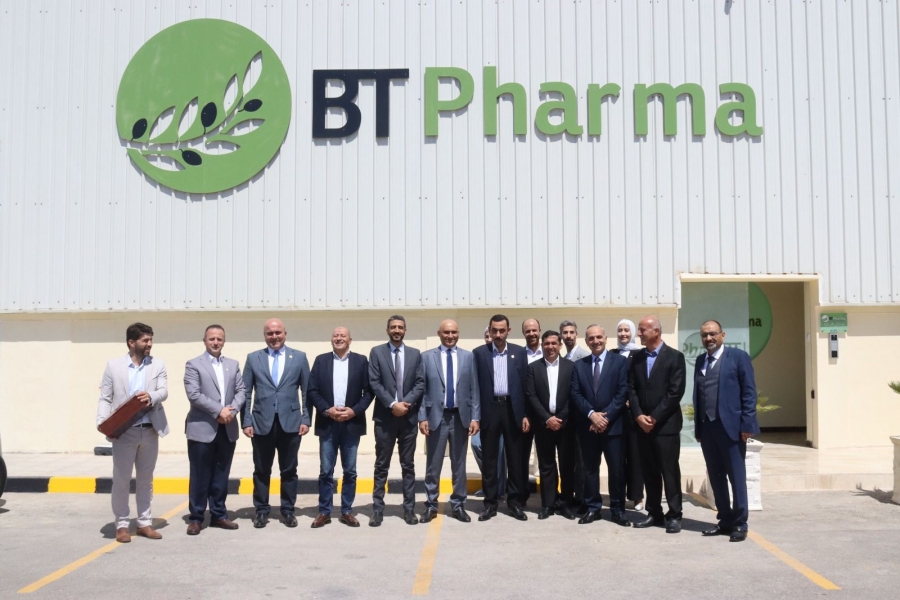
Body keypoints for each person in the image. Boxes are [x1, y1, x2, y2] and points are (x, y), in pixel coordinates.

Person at [96, 323, 169, 543]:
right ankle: (121, 525)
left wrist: (152, 396)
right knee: (121, 480)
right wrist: (103, 423)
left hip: (150, 430)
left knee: (146, 480)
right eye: (145, 340)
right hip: (124, 432)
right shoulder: (113, 366)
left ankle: (145, 523)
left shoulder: (158, 364)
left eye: (151, 339)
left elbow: (164, 391)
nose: (150, 344)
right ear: (131, 342)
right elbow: (105, 398)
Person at [240, 318, 311, 529]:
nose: (274, 337)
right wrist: (246, 421)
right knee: (261, 470)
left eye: (278, 332)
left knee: (289, 470)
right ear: (265, 335)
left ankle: (288, 510)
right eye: (270, 333)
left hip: (291, 423)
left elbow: (306, 391)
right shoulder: (253, 358)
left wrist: (306, 418)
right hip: (261, 423)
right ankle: (261, 510)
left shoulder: (299, 357)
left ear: (285, 333)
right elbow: (246, 392)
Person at [693, 320, 760, 542]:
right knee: (716, 476)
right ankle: (725, 520)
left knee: (736, 477)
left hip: (732, 428)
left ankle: (740, 523)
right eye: (704, 335)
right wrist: (699, 427)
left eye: (712, 334)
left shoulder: (738, 357)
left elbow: (749, 392)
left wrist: (747, 424)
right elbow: (699, 395)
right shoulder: (701, 360)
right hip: (708, 428)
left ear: (723, 335)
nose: (708, 338)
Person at [308, 327, 373, 528]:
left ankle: (347, 511)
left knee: (350, 471)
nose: (338, 338)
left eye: (342, 335)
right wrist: (327, 410)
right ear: (331, 340)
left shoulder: (361, 361)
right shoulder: (321, 361)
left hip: (351, 424)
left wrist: (354, 411)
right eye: (335, 335)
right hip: (328, 423)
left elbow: (369, 392)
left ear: (350, 340)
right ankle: (324, 511)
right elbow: (312, 390)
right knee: (326, 471)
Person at [183, 324, 245, 535]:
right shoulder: (193, 364)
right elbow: (194, 394)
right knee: (200, 475)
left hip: (227, 428)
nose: (216, 342)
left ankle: (219, 514)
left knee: (221, 474)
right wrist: (219, 411)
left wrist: (231, 411)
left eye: (219, 339)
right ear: (205, 341)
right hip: (202, 428)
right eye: (212, 339)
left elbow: (241, 391)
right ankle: (196, 517)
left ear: (224, 341)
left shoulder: (233, 365)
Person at [628, 316, 687, 533]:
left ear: (656, 331)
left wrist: (653, 418)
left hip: (665, 427)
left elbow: (675, 392)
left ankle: (675, 514)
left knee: (669, 472)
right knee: (649, 472)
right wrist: (638, 415)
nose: (639, 334)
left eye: (642, 330)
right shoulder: (636, 358)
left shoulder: (675, 357)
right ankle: (654, 512)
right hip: (641, 426)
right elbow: (631, 388)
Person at [419, 319, 480, 523]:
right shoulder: (427, 357)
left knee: (459, 464)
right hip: (436, 417)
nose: (450, 336)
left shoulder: (468, 357)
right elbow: (421, 390)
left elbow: (474, 389)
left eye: (454, 332)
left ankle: (458, 504)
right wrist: (422, 417)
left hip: (460, 418)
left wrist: (475, 417)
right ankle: (431, 505)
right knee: (433, 464)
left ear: (458, 333)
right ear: (439, 333)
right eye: (446, 332)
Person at [569, 325, 631, 526]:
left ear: (605, 338)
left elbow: (622, 392)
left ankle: (617, 510)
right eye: (591, 338)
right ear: (586, 341)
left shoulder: (620, 362)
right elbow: (575, 393)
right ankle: (593, 508)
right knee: (589, 469)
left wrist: (605, 418)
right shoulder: (579, 365)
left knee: (616, 470)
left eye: (599, 337)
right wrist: (591, 415)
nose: (595, 341)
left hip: (614, 427)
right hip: (588, 427)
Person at [368, 315, 425, 527]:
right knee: (381, 465)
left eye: (400, 327)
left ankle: (409, 509)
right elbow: (374, 382)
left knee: (408, 466)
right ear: (387, 330)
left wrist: (405, 404)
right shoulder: (377, 352)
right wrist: (393, 404)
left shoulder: (415, 354)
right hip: (385, 418)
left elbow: (420, 383)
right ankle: (377, 510)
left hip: (408, 418)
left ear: (405, 330)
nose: (397, 330)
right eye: (393, 327)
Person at [472, 315, 529, 521]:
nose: (498, 334)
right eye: (494, 330)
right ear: (489, 330)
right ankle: (490, 503)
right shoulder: (479, 353)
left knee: (515, 459)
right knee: (489, 460)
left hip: (513, 410)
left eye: (501, 330)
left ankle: (514, 503)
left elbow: (525, 385)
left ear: (508, 331)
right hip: (490, 410)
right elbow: (475, 387)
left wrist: (525, 414)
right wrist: (475, 416)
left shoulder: (519, 353)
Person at [524, 331, 577, 520]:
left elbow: (573, 395)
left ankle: (566, 504)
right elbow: (531, 395)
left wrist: (560, 418)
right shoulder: (533, 368)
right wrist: (547, 418)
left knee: (566, 465)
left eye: (554, 343)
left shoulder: (571, 367)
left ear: (560, 345)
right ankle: (548, 504)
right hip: (543, 425)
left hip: (566, 425)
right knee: (546, 466)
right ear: (542, 345)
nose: (550, 347)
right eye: (546, 343)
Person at [611, 318, 644, 512]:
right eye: (620, 330)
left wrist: (632, 400)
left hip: (633, 413)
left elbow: (640, 382)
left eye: (626, 330)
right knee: (617, 457)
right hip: (615, 413)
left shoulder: (640, 354)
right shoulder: (612, 353)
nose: (623, 334)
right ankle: (618, 496)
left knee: (634, 456)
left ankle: (637, 496)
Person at [471, 326, 507, 500]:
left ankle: (498, 489)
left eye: (490, 336)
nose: (490, 338)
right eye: (487, 336)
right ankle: (490, 483)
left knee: (500, 452)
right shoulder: (479, 355)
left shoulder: (506, 355)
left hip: (503, 409)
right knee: (477, 444)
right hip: (484, 411)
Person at [560, 319, 588, 511]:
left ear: (576, 334)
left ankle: (583, 498)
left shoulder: (584, 357)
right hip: (566, 418)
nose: (568, 336)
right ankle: (571, 496)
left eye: (571, 332)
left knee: (582, 460)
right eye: (565, 332)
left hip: (581, 416)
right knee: (569, 460)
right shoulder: (563, 357)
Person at [520, 318, 543, 504]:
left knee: (546, 458)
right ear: (523, 333)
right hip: (525, 416)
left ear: (539, 331)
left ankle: (550, 499)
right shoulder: (519, 355)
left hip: (545, 415)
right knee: (521, 458)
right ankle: (521, 497)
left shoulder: (550, 351)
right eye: (528, 331)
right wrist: (523, 414)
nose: (532, 333)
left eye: (534, 330)